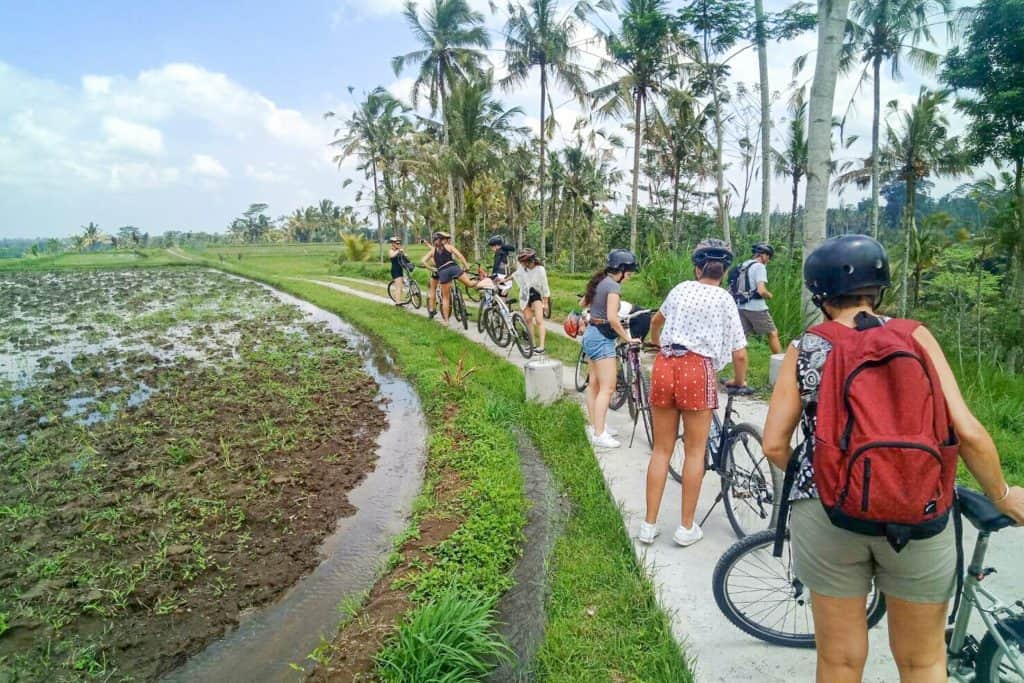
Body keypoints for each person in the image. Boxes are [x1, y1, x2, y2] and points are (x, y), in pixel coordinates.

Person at [762, 234, 1024, 683]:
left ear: (821, 295)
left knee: (840, 660)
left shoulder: (804, 348)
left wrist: (822, 476)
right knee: (923, 662)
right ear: (878, 288)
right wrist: (1002, 494)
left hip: (829, 514)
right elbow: (968, 432)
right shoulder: (914, 335)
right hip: (919, 509)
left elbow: (773, 445)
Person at [640, 239, 749, 547]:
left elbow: (655, 321)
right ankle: (686, 527)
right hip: (696, 369)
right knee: (694, 451)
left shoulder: (680, 289)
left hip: (664, 365)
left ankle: (649, 525)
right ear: (724, 272)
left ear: (696, 268)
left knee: (661, 449)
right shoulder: (725, 299)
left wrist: (658, 342)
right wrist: (739, 382)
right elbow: (740, 353)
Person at [580, 249, 640, 449]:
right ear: (621, 270)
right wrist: (628, 339)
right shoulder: (613, 286)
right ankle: (599, 434)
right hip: (602, 339)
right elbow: (614, 319)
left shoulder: (599, 282)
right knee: (608, 387)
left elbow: (583, 303)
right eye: (629, 274)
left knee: (594, 385)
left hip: (591, 334)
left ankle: (596, 425)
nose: (629, 278)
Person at [734, 242, 782, 355]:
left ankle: (737, 361)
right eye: (768, 256)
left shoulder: (744, 265)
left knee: (741, 338)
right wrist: (769, 295)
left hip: (740, 305)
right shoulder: (759, 267)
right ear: (763, 255)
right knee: (772, 333)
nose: (768, 260)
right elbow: (761, 290)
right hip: (756, 307)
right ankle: (780, 361)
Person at [421, 231, 473, 323]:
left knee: (434, 289)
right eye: (446, 239)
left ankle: (433, 311)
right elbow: (459, 256)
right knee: (438, 290)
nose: (447, 241)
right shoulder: (447, 247)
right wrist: (465, 266)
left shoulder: (433, 250)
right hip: (449, 268)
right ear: (442, 240)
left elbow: (425, 259)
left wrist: (432, 269)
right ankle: (434, 308)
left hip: (439, 271)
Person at [511, 248, 551, 354]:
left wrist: (545, 303)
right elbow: (515, 274)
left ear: (528, 261)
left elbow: (545, 287)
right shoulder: (523, 268)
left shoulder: (540, 269)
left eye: (522, 262)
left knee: (539, 320)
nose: (521, 264)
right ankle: (532, 344)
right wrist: (503, 280)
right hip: (525, 295)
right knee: (528, 319)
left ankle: (541, 346)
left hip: (536, 294)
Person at [388, 237, 409, 306]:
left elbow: (404, 259)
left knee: (401, 287)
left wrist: (405, 255)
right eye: (397, 243)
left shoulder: (399, 250)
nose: (399, 245)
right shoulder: (391, 250)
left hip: (400, 270)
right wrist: (398, 251)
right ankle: (398, 303)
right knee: (398, 287)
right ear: (393, 244)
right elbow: (391, 256)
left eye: (400, 243)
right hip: (395, 270)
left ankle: (398, 300)